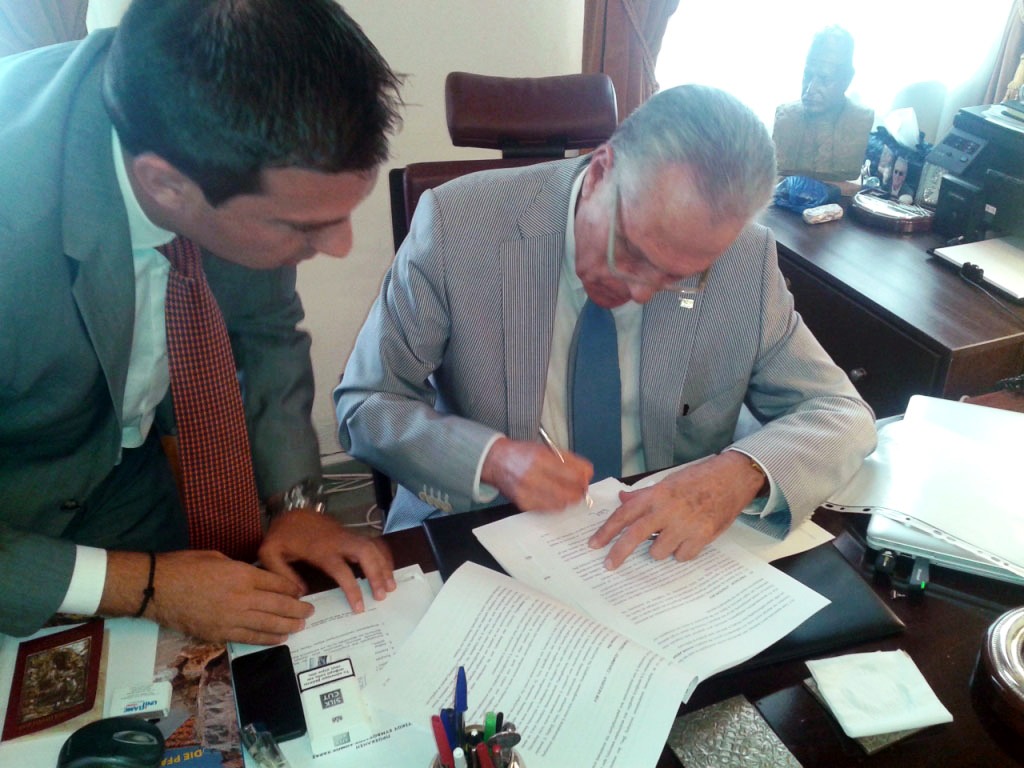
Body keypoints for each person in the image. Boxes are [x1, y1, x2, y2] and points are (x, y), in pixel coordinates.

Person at [336, 84, 876, 569]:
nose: (640, 293)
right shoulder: (458, 224)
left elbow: (840, 413)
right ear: (598, 174)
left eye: (679, 276)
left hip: (656, 553)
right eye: (633, 253)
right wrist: (490, 459)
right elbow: (367, 401)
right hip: (489, 531)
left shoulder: (745, 259)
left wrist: (740, 472)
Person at [0, 0, 403, 644]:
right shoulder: (11, 219)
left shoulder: (218, 125)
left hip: (123, 471)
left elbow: (266, 332)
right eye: (303, 226)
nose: (341, 246)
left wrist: (296, 504)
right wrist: (145, 585)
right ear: (164, 185)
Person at [772, 26, 874, 182]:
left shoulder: (861, 119)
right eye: (808, 75)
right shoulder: (785, 117)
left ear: (847, 79)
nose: (810, 89)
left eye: (825, 79)